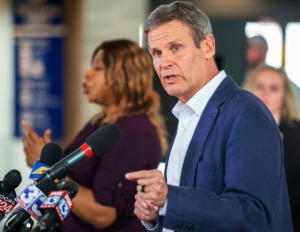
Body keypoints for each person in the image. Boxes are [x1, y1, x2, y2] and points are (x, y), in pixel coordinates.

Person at [125, 1, 293, 231]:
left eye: (175, 47)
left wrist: (169, 199)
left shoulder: (247, 114)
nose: (164, 62)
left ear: (207, 47)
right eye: (157, 52)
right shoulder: (187, 113)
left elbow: (254, 216)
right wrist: (157, 215)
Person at [21, 39, 168, 232]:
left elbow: (102, 214)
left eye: (98, 68)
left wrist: (46, 167)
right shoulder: (101, 122)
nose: (87, 74)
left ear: (125, 76)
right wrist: (47, 164)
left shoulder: (132, 132)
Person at [243, 63, 300, 231]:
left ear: (284, 98)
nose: (265, 92)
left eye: (274, 88)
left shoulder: (298, 134)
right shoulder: (229, 128)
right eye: (260, 86)